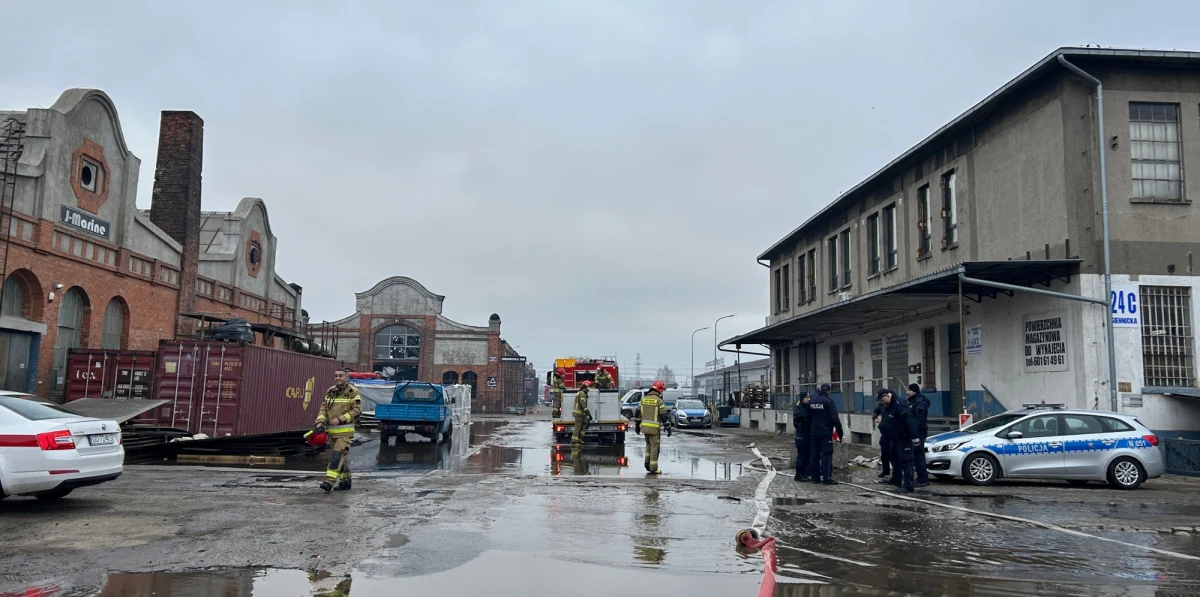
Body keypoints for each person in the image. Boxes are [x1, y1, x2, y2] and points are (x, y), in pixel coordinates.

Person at [315, 368, 362, 492]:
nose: (338, 378)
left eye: (341, 375)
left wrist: (340, 419)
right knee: (342, 458)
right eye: (336, 375)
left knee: (336, 456)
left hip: (345, 433)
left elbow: (356, 411)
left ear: (346, 377)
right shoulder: (330, 391)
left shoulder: (353, 391)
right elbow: (323, 408)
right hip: (332, 433)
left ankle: (328, 481)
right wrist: (320, 421)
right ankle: (345, 481)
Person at [877, 388, 917, 493]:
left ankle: (908, 485)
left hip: (904, 437)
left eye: (882, 399)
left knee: (906, 461)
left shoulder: (899, 404)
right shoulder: (888, 405)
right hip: (894, 437)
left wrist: (914, 436)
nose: (882, 402)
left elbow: (909, 420)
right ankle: (896, 479)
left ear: (887, 395)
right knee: (893, 456)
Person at [634, 380, 672, 474]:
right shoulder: (659, 401)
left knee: (648, 446)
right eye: (662, 390)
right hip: (654, 430)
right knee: (655, 447)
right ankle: (653, 468)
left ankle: (647, 464)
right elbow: (663, 416)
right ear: (659, 389)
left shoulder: (643, 399)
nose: (662, 392)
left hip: (644, 429)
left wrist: (637, 425)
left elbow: (637, 413)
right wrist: (668, 427)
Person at [808, 383, 843, 485]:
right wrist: (840, 433)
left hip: (814, 432)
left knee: (814, 455)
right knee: (826, 455)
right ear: (828, 391)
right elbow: (834, 418)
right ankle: (826, 478)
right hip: (825, 433)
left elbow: (808, 417)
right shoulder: (828, 402)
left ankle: (815, 477)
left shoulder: (812, 401)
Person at [907, 384, 931, 487]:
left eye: (909, 390)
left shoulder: (920, 402)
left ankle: (923, 479)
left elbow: (919, 419)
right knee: (916, 455)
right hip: (915, 431)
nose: (907, 392)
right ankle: (920, 478)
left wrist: (914, 433)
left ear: (914, 391)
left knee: (918, 455)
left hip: (919, 431)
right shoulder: (913, 401)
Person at [792, 392, 812, 482]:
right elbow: (796, 422)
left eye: (809, 397)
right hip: (801, 435)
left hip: (807, 435)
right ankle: (798, 475)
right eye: (806, 397)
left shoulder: (808, 407)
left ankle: (804, 473)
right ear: (802, 398)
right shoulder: (798, 408)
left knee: (807, 456)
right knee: (801, 456)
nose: (808, 399)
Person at [873, 394, 892, 479]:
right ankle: (885, 470)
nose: (882, 402)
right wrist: (875, 417)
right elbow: (876, 411)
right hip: (885, 433)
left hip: (893, 433)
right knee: (884, 453)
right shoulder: (882, 404)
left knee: (893, 454)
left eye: (882, 400)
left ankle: (897, 474)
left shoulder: (894, 405)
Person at [571, 380, 593, 445]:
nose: (589, 389)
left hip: (581, 413)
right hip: (578, 413)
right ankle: (574, 440)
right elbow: (583, 405)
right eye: (588, 387)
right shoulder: (582, 394)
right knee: (577, 427)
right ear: (586, 386)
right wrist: (588, 414)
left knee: (585, 423)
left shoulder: (582, 393)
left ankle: (580, 438)